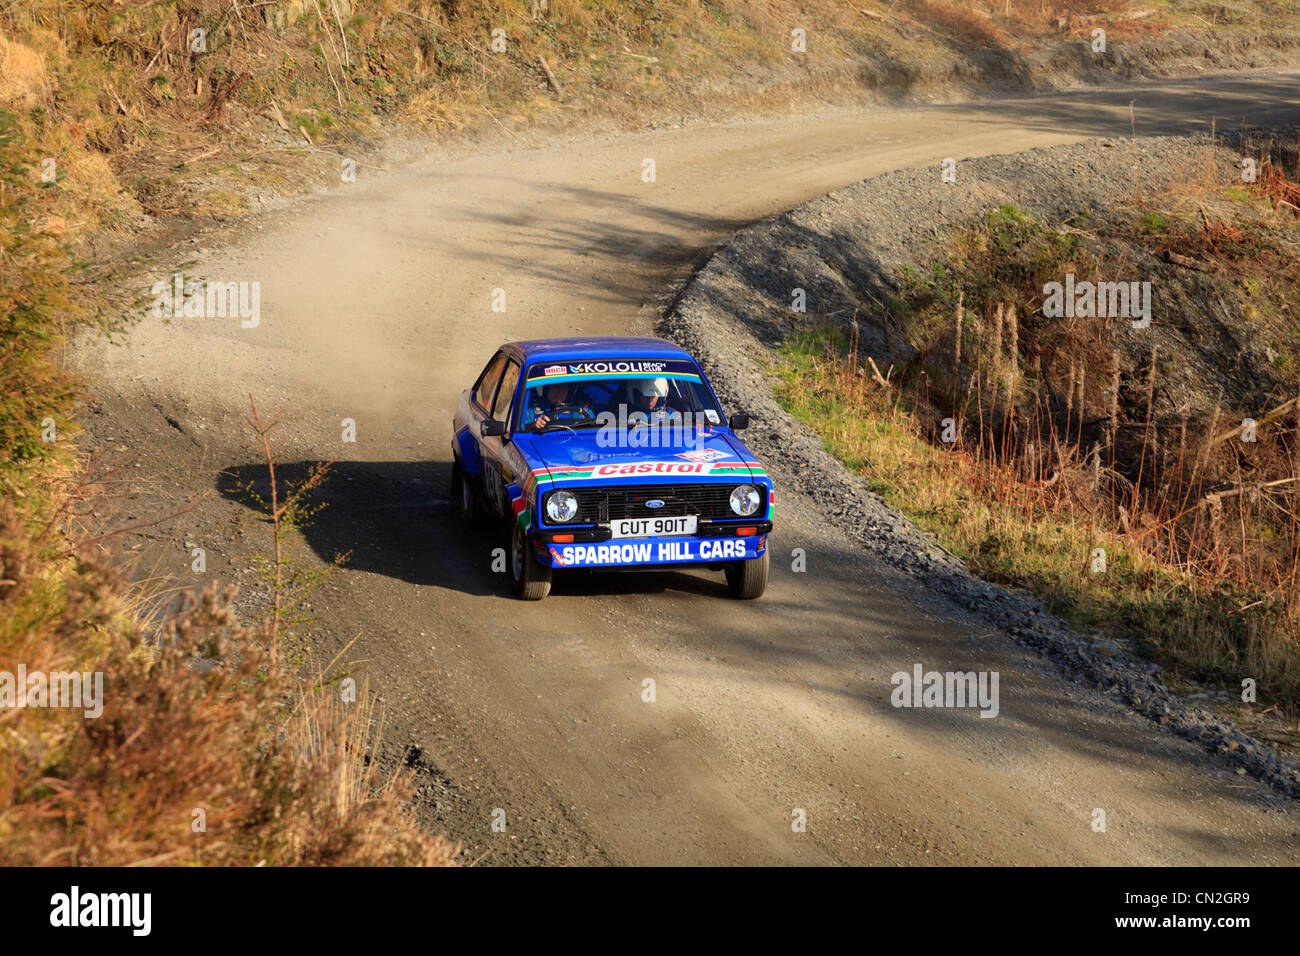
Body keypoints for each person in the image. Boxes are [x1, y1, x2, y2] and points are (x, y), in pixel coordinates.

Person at [521, 380, 594, 431]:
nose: (561, 391)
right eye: (556, 386)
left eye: (565, 387)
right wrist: (533, 425)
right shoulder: (530, 406)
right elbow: (519, 434)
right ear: (547, 387)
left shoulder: (581, 409)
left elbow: (593, 431)